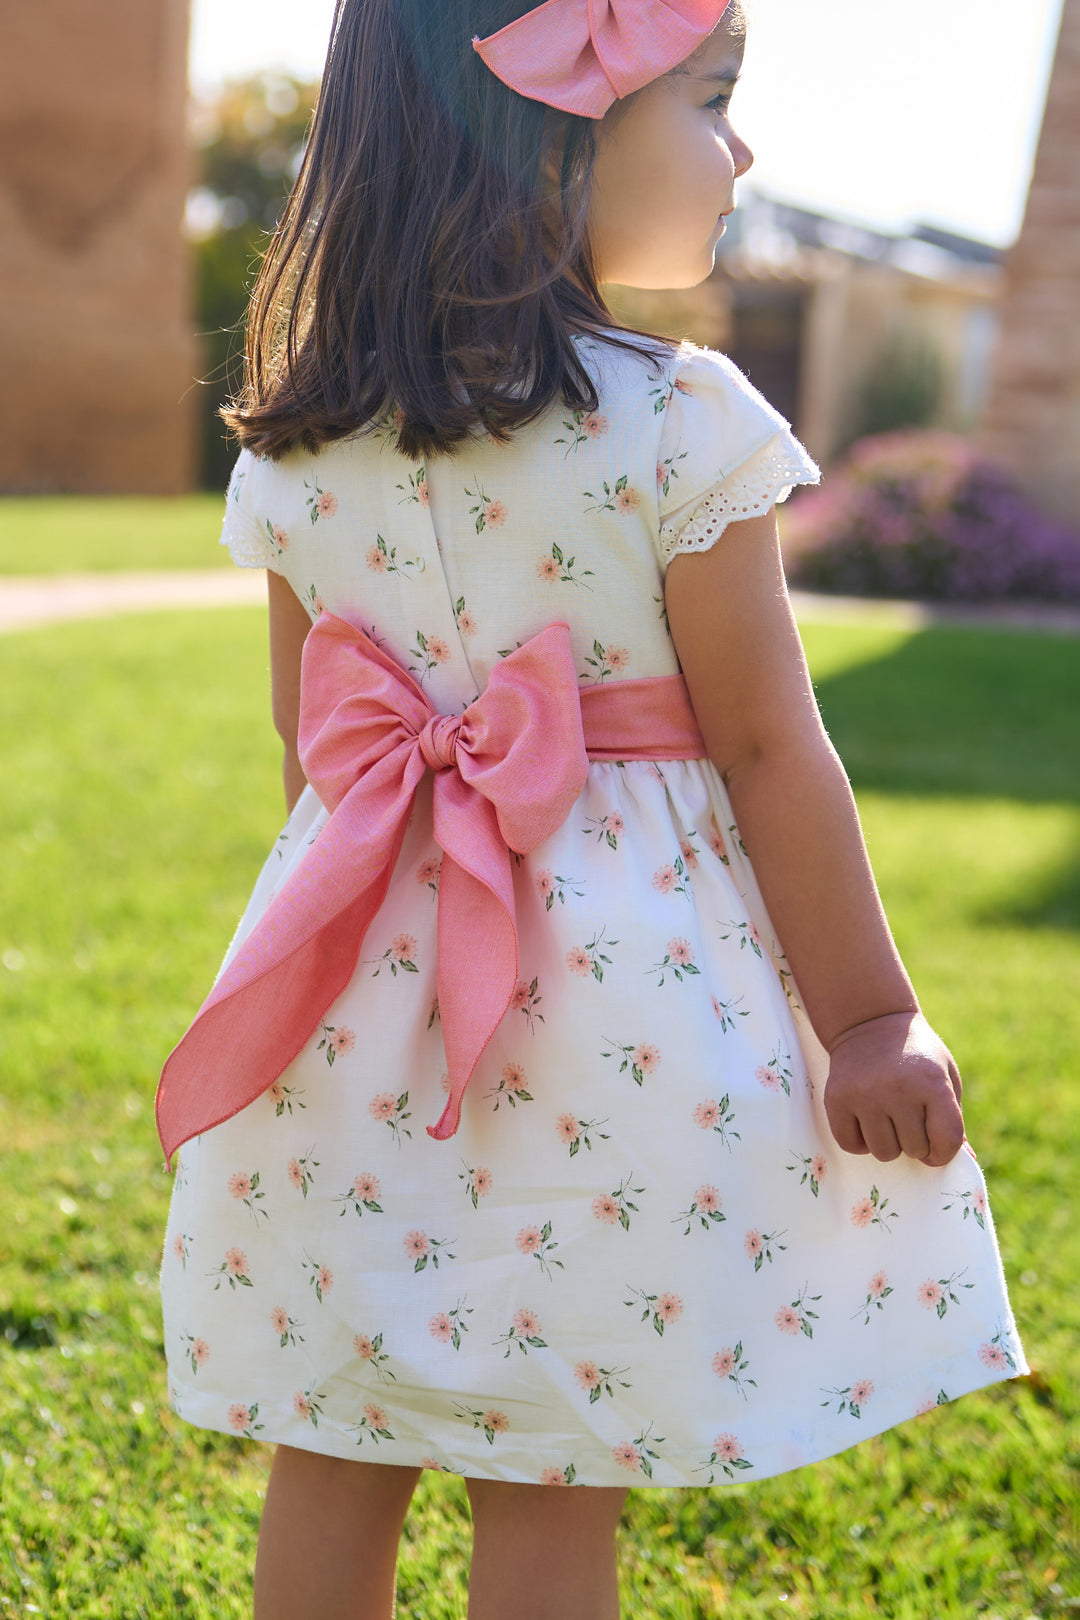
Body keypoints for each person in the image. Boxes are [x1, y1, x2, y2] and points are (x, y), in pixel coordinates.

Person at [156, 2, 1028, 1616]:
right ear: (551, 132)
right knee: (550, 1457)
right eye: (711, 100)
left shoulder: (293, 453)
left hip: (354, 1017)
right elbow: (770, 751)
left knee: (336, 1429)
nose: (741, 150)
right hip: (607, 1022)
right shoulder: (677, 419)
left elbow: (320, 757)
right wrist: (866, 1020)